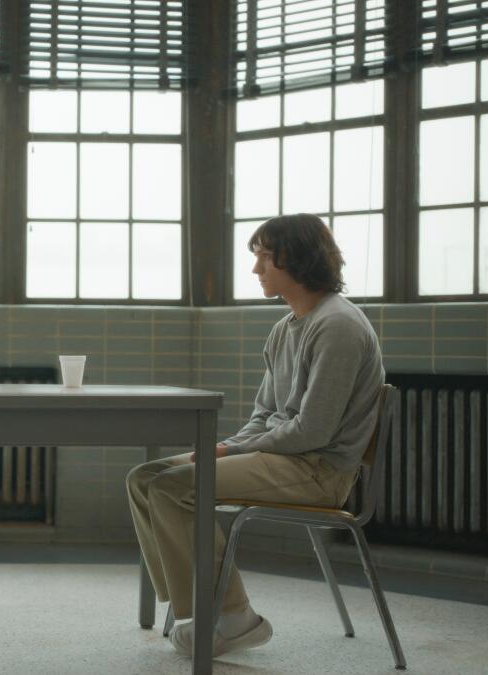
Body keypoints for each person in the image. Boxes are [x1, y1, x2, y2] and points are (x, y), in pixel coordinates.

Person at [126, 213, 384, 658]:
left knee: (172, 487)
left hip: (319, 470)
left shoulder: (338, 325)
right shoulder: (285, 329)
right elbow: (264, 415)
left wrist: (229, 450)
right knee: (144, 477)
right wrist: (221, 449)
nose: (255, 269)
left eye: (265, 257)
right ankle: (205, 611)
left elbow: (313, 430)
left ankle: (232, 617)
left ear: (298, 259)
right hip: (286, 458)